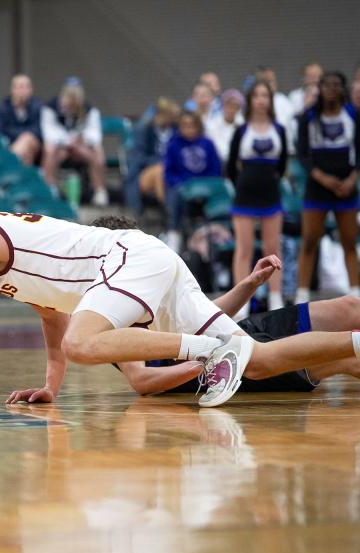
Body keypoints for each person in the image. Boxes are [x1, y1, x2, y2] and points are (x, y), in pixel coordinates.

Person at [0, 181, 360, 410]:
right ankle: (354, 341)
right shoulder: (0, 266)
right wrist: (51, 388)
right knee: (259, 362)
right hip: (148, 260)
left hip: (128, 258)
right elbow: (51, 319)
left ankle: (210, 351)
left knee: (83, 345)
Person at [90, 214, 360, 394]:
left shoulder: (147, 279)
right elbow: (141, 381)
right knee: (346, 361)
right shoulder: (111, 307)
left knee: (348, 308)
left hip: (233, 333)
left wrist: (248, 285)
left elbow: (205, 316)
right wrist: (205, 362)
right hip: (221, 362)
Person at [295, 71, 359, 304]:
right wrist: (322, 178)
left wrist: (353, 178)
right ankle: (302, 294)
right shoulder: (308, 117)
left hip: (346, 188)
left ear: (343, 89)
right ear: (320, 88)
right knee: (310, 240)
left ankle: (355, 293)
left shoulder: (353, 114)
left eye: (337, 85)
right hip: (317, 188)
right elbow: (302, 154)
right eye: (328, 85)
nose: (333, 89)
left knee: (349, 241)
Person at [226, 81, 288, 318]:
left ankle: (275, 298)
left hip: (271, 193)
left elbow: (282, 165)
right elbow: (231, 166)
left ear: (270, 100)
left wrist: (268, 181)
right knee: (244, 249)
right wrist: (243, 184)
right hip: (245, 194)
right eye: (257, 95)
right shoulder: (241, 130)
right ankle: (239, 303)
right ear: (250, 100)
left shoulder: (279, 129)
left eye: (265, 95)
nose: (261, 100)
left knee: (272, 248)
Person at [41, 78, 108, 206]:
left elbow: (95, 134)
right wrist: (67, 141)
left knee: (98, 150)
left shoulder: (89, 110)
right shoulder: (50, 108)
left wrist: (82, 139)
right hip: (61, 149)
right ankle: (50, 190)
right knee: (49, 149)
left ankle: (99, 190)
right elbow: (49, 133)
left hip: (80, 148)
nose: (72, 99)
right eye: (69, 95)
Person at [163, 111, 222, 252]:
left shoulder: (208, 143)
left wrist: (204, 184)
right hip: (183, 186)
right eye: (185, 125)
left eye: (192, 125)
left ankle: (218, 235)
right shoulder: (173, 144)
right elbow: (169, 172)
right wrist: (183, 184)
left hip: (205, 185)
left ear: (198, 126)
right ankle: (174, 234)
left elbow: (216, 170)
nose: (189, 129)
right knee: (174, 194)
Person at [124, 97, 179, 215]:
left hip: (172, 171)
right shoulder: (144, 129)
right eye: (167, 115)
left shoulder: (176, 130)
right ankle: (168, 213)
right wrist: (160, 162)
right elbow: (138, 158)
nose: (171, 119)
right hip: (146, 171)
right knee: (160, 171)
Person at [0, 74, 44, 166]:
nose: (23, 91)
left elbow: (39, 130)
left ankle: (12, 164)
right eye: (20, 87)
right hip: (11, 145)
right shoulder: (2, 108)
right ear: (12, 90)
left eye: (26, 87)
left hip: (35, 145)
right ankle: (25, 177)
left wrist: (23, 137)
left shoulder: (38, 107)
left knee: (28, 139)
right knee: (26, 148)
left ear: (31, 90)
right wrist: (21, 137)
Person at [206, 88, 245, 162]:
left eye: (235, 106)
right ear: (222, 106)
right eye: (229, 105)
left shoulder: (243, 125)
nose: (231, 109)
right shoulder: (212, 124)